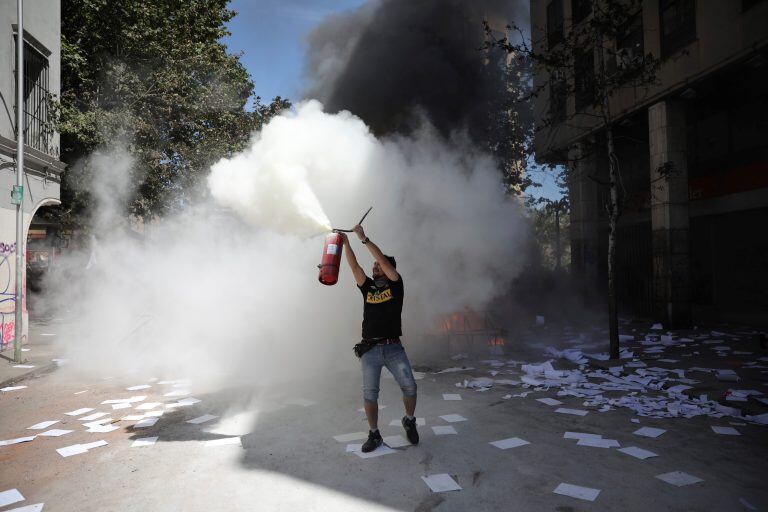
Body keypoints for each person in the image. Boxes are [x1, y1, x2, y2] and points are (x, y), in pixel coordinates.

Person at [340, 225, 419, 453]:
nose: (375, 266)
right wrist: (347, 244)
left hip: (393, 348)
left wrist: (364, 239)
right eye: (374, 265)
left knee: (410, 388)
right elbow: (354, 266)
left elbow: (383, 261)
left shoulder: (396, 285)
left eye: (379, 265)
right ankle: (374, 434)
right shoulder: (368, 288)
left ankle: (409, 420)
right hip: (370, 349)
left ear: (389, 269)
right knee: (370, 394)